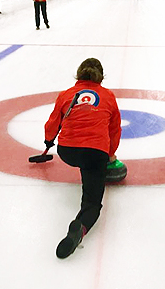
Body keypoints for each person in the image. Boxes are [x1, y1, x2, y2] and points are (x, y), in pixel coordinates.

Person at [44, 58, 122, 259]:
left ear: (78, 75)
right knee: (92, 203)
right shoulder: (108, 96)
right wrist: (109, 155)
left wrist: (47, 141)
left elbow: (53, 123)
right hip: (95, 153)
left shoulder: (66, 95)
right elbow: (114, 130)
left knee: (84, 159)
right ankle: (82, 226)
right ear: (101, 77)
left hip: (67, 151)